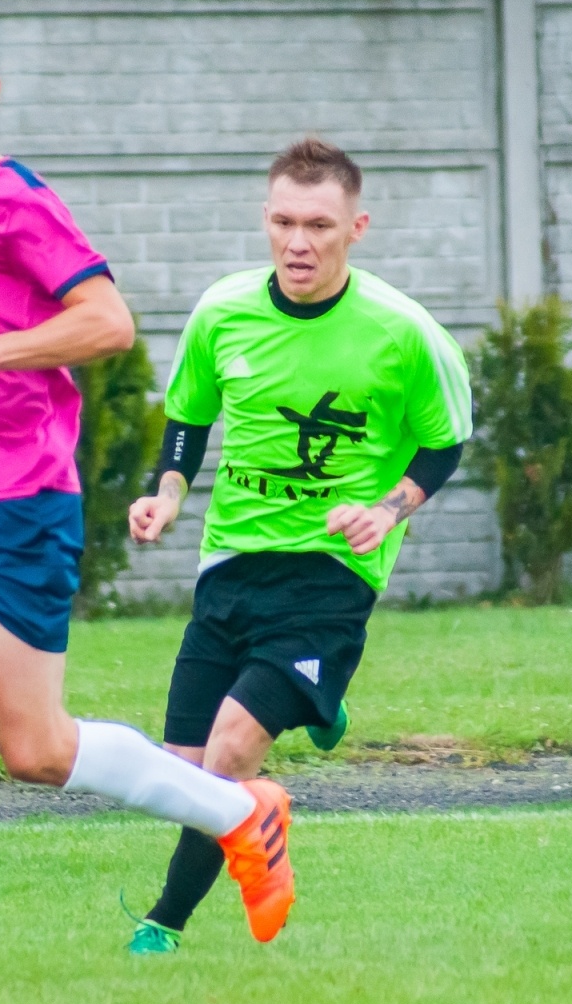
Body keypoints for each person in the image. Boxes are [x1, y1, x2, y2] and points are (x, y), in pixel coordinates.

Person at [0, 7, 296, 992]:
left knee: (33, 747)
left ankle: (239, 813)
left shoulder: (15, 199)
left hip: (16, 508)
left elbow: (107, 322)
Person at [123, 138, 473, 955]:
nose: (298, 242)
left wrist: (388, 511)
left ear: (357, 226)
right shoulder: (223, 312)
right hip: (231, 567)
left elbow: (444, 442)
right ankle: (323, 702)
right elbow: (188, 423)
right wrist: (164, 497)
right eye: (283, 221)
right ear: (266, 220)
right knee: (186, 779)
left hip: (330, 574)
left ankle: (161, 925)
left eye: (318, 224)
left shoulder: (402, 332)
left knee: (233, 751)